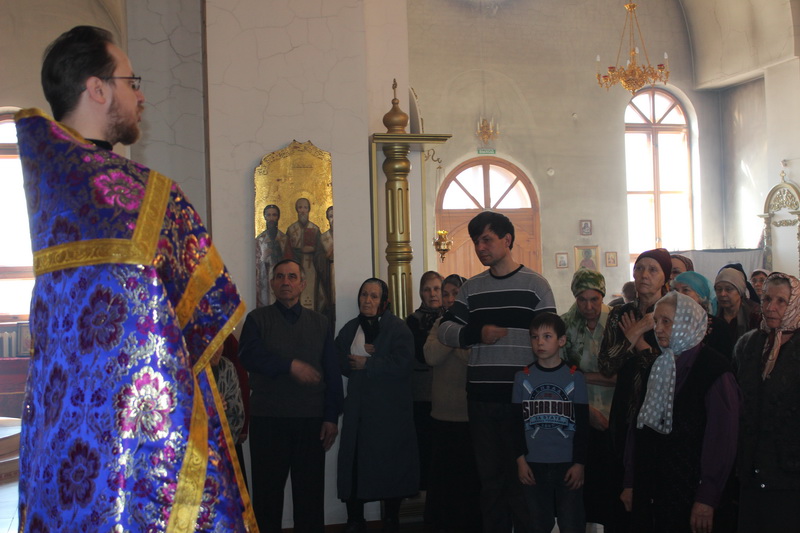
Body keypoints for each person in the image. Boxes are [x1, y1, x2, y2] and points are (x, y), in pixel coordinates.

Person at [15, 26, 255, 531]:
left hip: (60, 440)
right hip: (138, 447)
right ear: (97, 88)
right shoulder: (148, 196)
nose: (141, 96)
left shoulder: (47, 188)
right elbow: (209, 316)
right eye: (131, 81)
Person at [438, 211, 556, 533]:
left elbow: (550, 339)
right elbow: (445, 330)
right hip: (482, 399)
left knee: (525, 480)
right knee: (490, 482)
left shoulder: (535, 286)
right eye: (476, 241)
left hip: (524, 400)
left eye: (487, 240)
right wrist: (476, 333)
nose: (480, 247)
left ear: (507, 240)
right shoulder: (472, 288)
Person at [238, 258, 343, 532]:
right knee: (267, 498)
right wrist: (289, 366)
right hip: (268, 420)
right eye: (280, 276)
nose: (286, 282)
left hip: (311, 421)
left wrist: (331, 417)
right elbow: (249, 356)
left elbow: (332, 373)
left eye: (292, 277)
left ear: (303, 284)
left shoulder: (320, 323)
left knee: (310, 499)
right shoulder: (257, 320)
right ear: (272, 284)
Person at [622, 292, 741, 533]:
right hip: (653, 488)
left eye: (667, 321)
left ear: (687, 323)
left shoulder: (715, 370)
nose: (658, 329)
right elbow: (639, 429)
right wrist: (630, 481)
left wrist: (707, 496)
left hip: (690, 490)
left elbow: (722, 440)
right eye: (656, 321)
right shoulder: (658, 366)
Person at [597, 248, 672, 532]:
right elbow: (607, 364)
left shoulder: (672, 312)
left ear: (664, 277)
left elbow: (669, 367)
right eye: (640, 268)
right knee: (619, 490)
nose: (644, 275)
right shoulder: (620, 313)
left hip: (660, 409)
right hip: (625, 407)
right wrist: (636, 330)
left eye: (653, 270)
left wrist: (637, 345)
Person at [336, 278, 418, 533]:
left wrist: (368, 363)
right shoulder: (350, 328)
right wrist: (354, 358)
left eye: (373, 296)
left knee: (391, 466)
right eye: (364, 295)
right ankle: (355, 519)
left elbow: (404, 364)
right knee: (354, 465)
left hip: (389, 414)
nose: (367, 300)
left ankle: (391, 519)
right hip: (358, 413)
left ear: (384, 302)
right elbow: (338, 360)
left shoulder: (399, 329)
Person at [733, 272, 800, 532]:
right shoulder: (749, 344)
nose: (771, 307)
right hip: (751, 466)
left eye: (781, 301)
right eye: (766, 299)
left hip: (789, 474)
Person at [515, 313, 589, 533]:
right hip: (533, 464)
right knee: (537, 523)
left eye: (547, 336)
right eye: (534, 337)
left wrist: (580, 463)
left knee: (571, 522)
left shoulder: (575, 377)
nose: (540, 342)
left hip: (567, 463)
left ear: (561, 340)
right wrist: (520, 461)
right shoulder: (522, 377)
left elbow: (583, 425)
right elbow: (514, 424)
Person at [423, 274, 482, 533]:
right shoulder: (439, 323)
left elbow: (473, 359)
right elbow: (430, 356)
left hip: (469, 416)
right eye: (445, 294)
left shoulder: (476, 325)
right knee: (443, 482)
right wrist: (455, 338)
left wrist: (449, 338)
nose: (448, 299)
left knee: (469, 481)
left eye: (454, 293)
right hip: (441, 416)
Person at [560, 269, 617, 530]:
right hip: (580, 413)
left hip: (614, 412)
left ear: (602, 296)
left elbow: (621, 377)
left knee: (611, 482)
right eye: (582, 300)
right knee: (582, 485)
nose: (589, 306)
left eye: (595, 299)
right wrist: (588, 409)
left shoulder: (615, 322)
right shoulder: (565, 325)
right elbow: (561, 375)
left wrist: (582, 376)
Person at [406, 270, 443, 513]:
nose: (433, 294)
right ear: (421, 292)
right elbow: (421, 354)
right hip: (421, 392)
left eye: (437, 289)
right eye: (428, 289)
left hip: (446, 391)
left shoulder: (452, 317)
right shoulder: (412, 321)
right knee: (423, 443)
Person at [672, 271, 734, 360]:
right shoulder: (669, 322)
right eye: (675, 290)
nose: (679, 294)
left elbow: (724, 361)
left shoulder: (718, 327)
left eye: (685, 290)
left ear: (700, 296)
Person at [286, 197, 322, 310]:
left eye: (305, 207)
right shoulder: (291, 229)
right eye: (300, 207)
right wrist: (299, 251)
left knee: (310, 293)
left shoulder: (315, 229)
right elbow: (287, 251)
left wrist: (313, 249)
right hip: (295, 266)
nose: (302, 210)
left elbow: (321, 251)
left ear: (309, 210)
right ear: (296, 209)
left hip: (311, 267)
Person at [255, 203, 292, 307]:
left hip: (281, 277)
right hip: (265, 279)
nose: (271, 218)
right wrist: (264, 257)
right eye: (269, 215)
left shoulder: (284, 239)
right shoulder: (260, 240)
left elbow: (289, 261)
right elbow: (255, 264)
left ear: (278, 217)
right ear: (265, 217)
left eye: (274, 215)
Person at [714, 266, 761, 345]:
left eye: (728, 289)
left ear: (740, 291)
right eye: (719, 289)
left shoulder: (755, 315)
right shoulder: (713, 312)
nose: (722, 294)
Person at [316, 205, 335, 322]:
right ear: (327, 219)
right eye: (331, 216)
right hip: (329, 272)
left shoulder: (347, 236)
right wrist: (327, 255)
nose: (334, 219)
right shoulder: (323, 238)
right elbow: (318, 258)